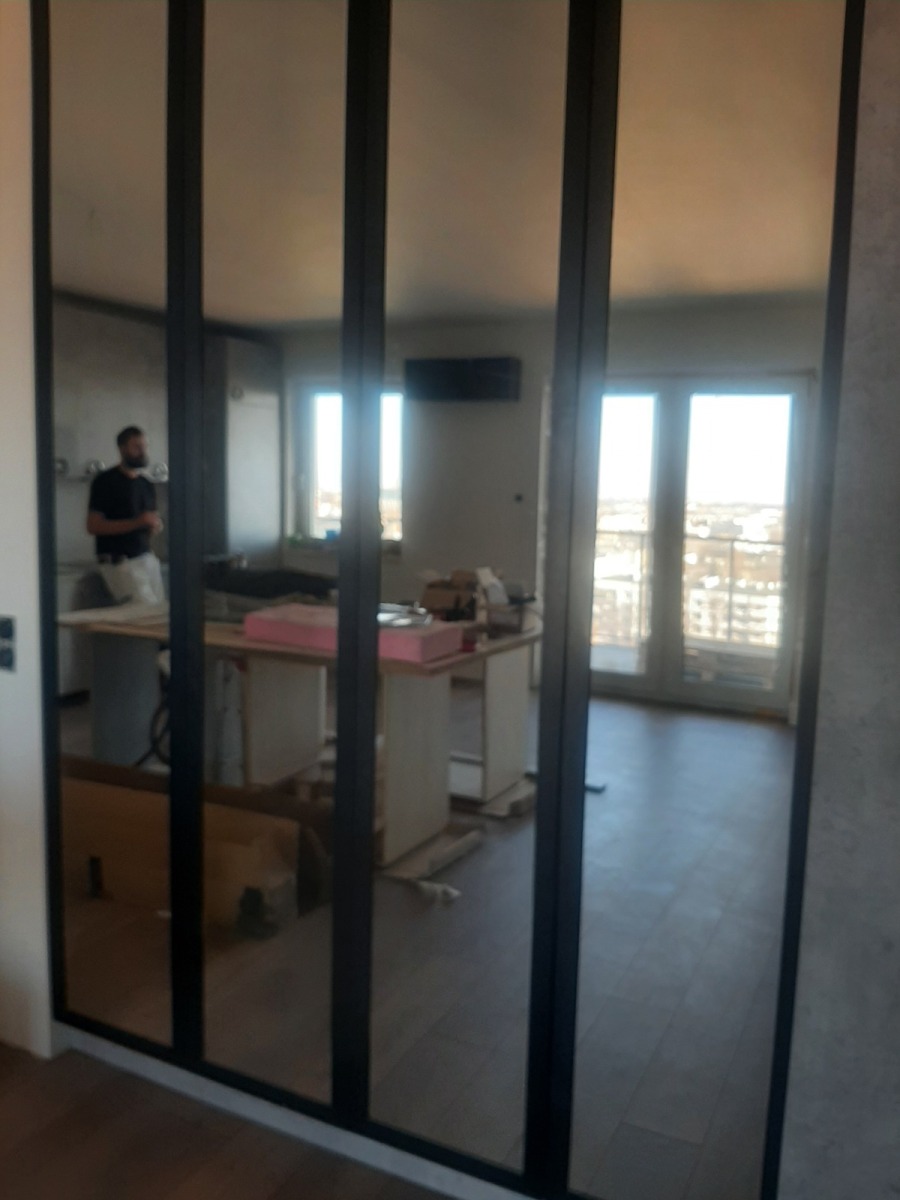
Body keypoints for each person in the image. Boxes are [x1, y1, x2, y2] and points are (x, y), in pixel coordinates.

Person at [87, 426, 166, 604]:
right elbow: (93, 525)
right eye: (136, 447)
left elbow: (150, 522)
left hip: (147, 557)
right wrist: (138, 522)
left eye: (144, 446)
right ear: (122, 448)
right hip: (120, 563)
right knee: (142, 613)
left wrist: (154, 525)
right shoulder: (105, 482)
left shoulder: (146, 484)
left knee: (159, 613)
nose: (142, 451)